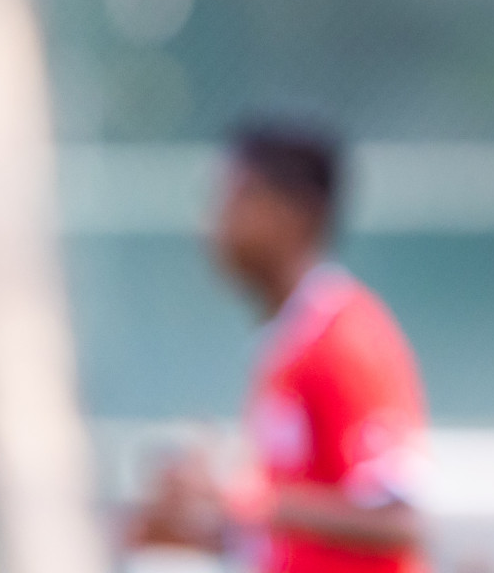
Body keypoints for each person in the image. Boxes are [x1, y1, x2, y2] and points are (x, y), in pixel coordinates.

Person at [128, 122, 429, 573]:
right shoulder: (288, 341)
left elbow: (401, 520)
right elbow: (293, 531)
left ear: (293, 213)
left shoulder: (346, 341)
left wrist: (239, 499)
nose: (214, 222)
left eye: (234, 197)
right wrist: (197, 529)